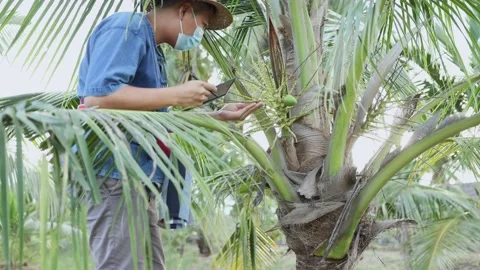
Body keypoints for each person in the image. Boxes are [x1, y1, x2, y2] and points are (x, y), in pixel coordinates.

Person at [77, 0, 263, 269]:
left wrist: (218, 116)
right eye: (203, 25)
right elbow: (98, 98)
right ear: (184, 10)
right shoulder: (126, 27)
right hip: (115, 173)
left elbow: (153, 120)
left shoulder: (154, 51)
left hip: (138, 177)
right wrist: (177, 94)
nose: (199, 35)